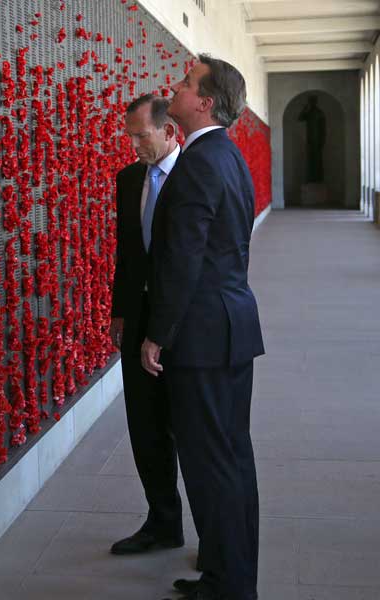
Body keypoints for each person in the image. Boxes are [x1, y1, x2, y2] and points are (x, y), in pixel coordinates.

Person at [141, 55, 264, 600]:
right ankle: (228, 570)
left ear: (204, 102)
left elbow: (184, 258)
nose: (175, 86)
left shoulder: (197, 162)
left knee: (211, 463)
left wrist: (157, 332)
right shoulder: (228, 158)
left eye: (187, 83)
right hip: (233, 324)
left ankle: (229, 585)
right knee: (232, 456)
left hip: (202, 335)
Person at [110, 95, 183, 555]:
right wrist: (121, 311)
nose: (134, 144)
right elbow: (127, 253)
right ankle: (162, 522)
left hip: (184, 323)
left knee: (190, 428)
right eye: (130, 135)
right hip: (137, 320)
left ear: (169, 131)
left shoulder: (196, 176)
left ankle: (216, 533)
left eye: (142, 135)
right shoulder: (129, 178)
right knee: (145, 426)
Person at [298, 95, 326, 183]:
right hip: (310, 139)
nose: (311, 103)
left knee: (317, 159)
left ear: (315, 102)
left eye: (312, 101)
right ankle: (311, 178)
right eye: (310, 101)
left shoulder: (319, 113)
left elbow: (323, 128)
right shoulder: (309, 112)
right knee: (310, 159)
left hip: (317, 140)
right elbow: (300, 118)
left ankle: (318, 178)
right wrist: (305, 108)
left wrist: (322, 140)